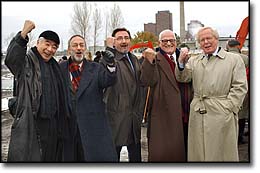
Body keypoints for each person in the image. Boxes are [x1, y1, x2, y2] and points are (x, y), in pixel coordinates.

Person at [175, 27, 248, 161]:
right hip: (198, 112)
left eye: (209, 38)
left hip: (222, 112)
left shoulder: (234, 60)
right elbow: (183, 78)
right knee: (199, 153)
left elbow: (240, 86)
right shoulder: (194, 60)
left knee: (221, 153)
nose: (206, 42)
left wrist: (229, 107)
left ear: (217, 39)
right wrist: (180, 63)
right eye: (202, 40)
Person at [5, 20, 70, 162]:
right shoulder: (26, 63)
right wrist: (22, 35)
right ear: (38, 43)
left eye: (54, 47)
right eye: (47, 44)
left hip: (53, 125)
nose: (50, 49)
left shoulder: (55, 66)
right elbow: (11, 60)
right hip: (33, 123)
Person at [59, 35, 118, 162]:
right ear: (69, 50)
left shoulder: (95, 68)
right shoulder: (60, 69)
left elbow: (109, 80)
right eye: (75, 45)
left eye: (82, 45)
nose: (79, 48)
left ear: (85, 49)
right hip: (68, 129)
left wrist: (111, 64)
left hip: (92, 128)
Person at [140, 29, 186, 162]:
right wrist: (149, 62)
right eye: (164, 41)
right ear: (159, 43)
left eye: (171, 40)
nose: (168, 43)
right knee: (163, 153)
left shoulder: (183, 58)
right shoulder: (154, 59)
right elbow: (147, 81)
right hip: (163, 113)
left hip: (184, 112)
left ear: (176, 42)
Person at [103, 28, 144, 162]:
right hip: (116, 117)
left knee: (135, 156)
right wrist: (108, 50)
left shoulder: (134, 59)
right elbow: (104, 72)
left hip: (134, 117)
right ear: (113, 42)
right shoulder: (110, 59)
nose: (124, 41)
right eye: (119, 38)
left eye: (126, 38)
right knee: (112, 155)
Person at [226, 39, 249, 145]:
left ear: (228, 46)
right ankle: (240, 136)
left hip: (226, 90)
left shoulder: (224, 57)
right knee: (242, 114)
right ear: (238, 46)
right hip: (241, 89)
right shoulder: (245, 58)